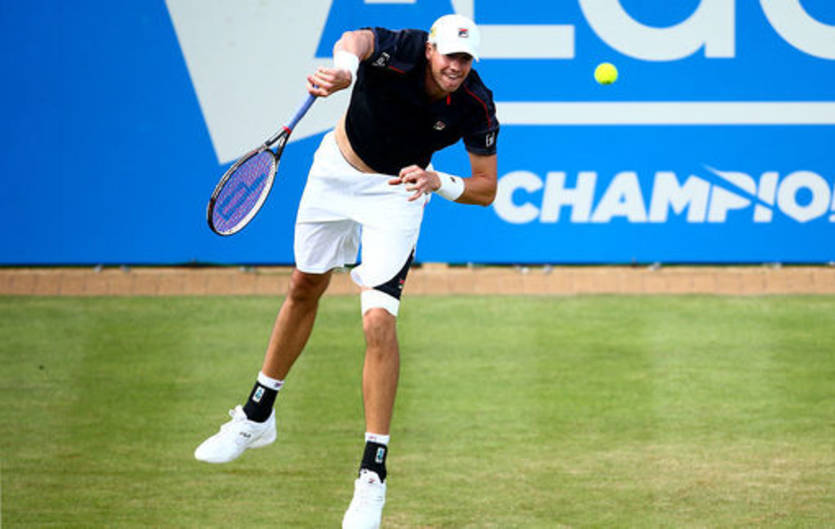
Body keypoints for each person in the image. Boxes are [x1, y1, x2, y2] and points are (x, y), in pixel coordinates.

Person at [194, 13, 499, 529]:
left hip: (398, 194)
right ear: (430, 50)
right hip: (335, 171)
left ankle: (372, 475)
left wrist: (437, 181)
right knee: (303, 286)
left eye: (465, 59)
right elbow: (354, 40)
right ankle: (257, 414)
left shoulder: (475, 103)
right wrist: (343, 70)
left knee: (379, 322)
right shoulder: (402, 49)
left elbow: (486, 187)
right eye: (450, 55)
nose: (456, 67)